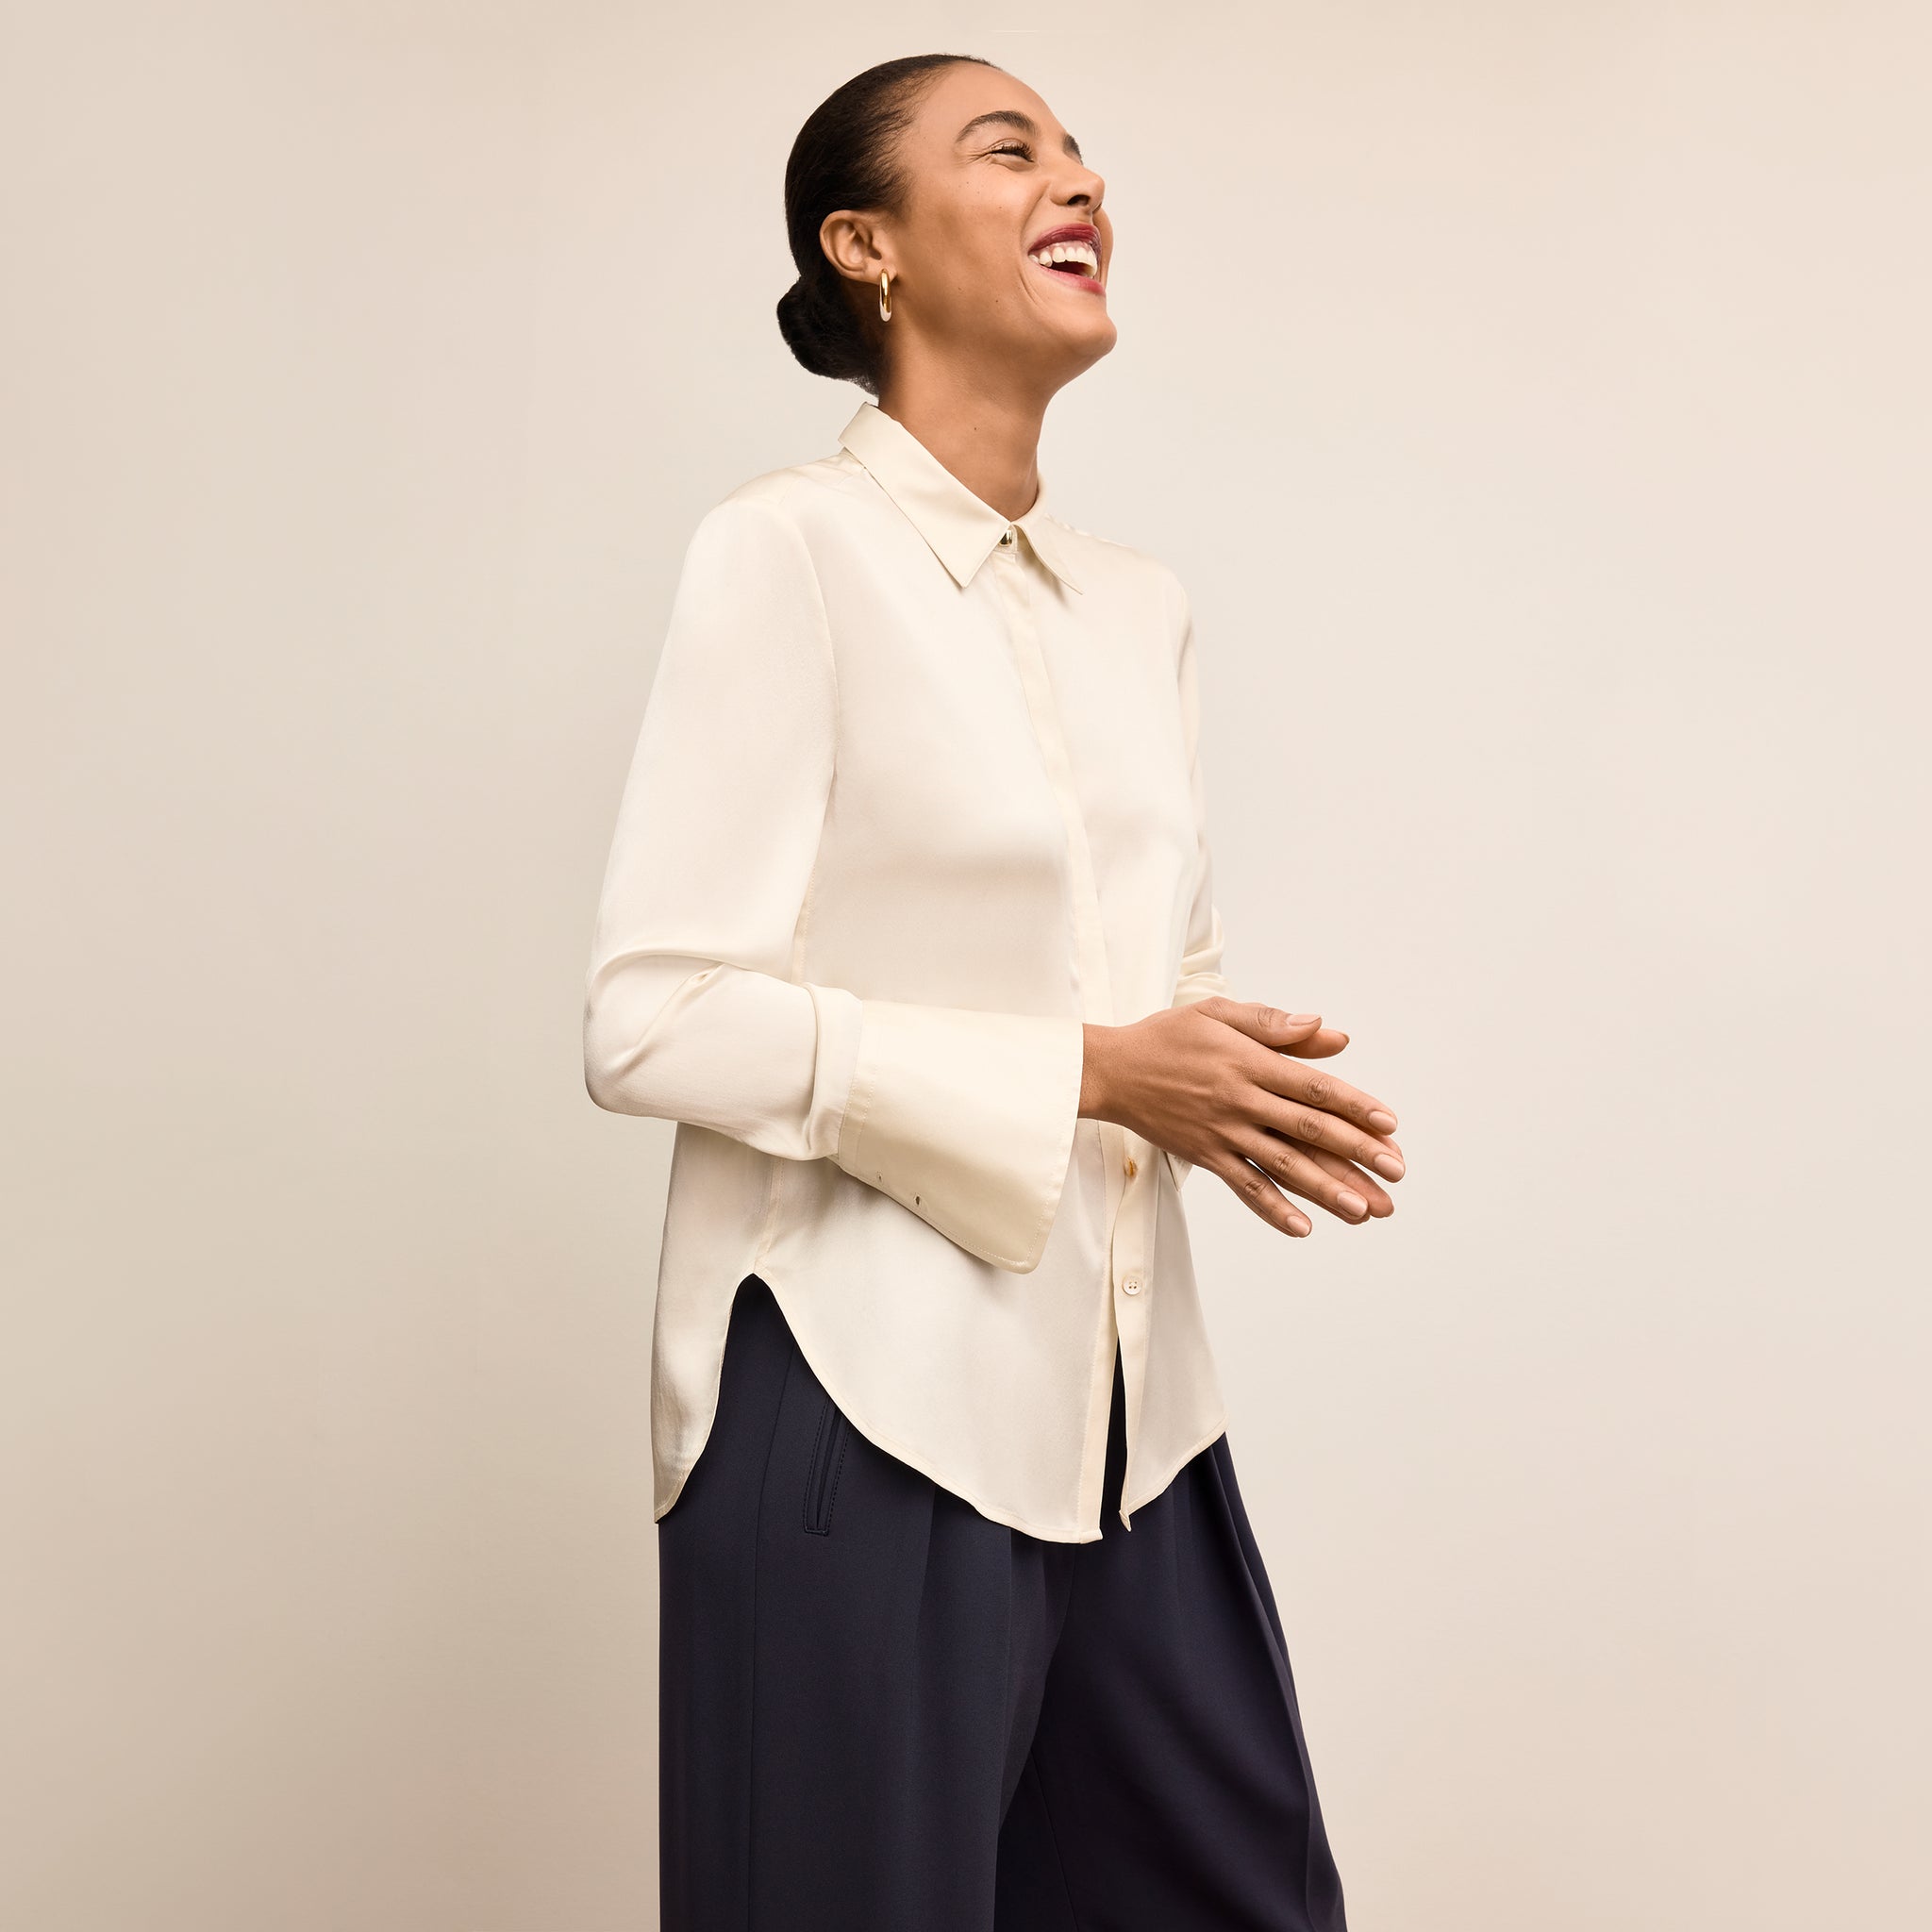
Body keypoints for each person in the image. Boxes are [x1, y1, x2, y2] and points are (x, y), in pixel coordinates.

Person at [582, 51, 1404, 1932]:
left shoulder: (1140, 607)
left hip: (1134, 1416)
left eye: (1083, 153)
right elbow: (648, 1013)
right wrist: (1101, 1074)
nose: (1077, 179)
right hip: (856, 1397)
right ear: (861, 244)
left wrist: (1226, 1073)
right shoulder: (784, 552)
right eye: (1007, 147)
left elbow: (1149, 973)